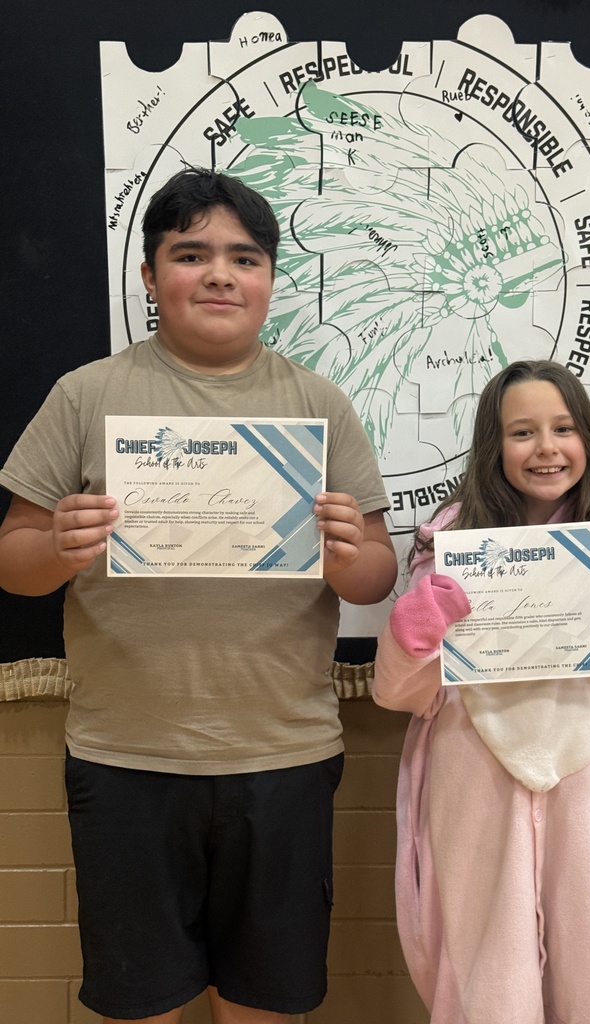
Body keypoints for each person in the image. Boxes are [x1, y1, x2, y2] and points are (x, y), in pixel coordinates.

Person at [0, 168, 397, 1024]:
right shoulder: (86, 395)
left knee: (263, 1002)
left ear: (270, 280)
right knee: (140, 1001)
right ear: (150, 276)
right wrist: (57, 546)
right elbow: (13, 561)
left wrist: (344, 558)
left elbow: (378, 573)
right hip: (126, 756)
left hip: (283, 755)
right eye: (191, 254)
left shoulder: (318, 403)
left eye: (244, 258)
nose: (220, 274)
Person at [372, 359, 590, 1024]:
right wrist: (415, 629)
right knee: (486, 953)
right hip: (472, 769)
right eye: (522, 432)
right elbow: (403, 695)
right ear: (494, 446)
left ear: (588, 440)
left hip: (581, 774)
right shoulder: (451, 541)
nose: (546, 447)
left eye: (563, 428)